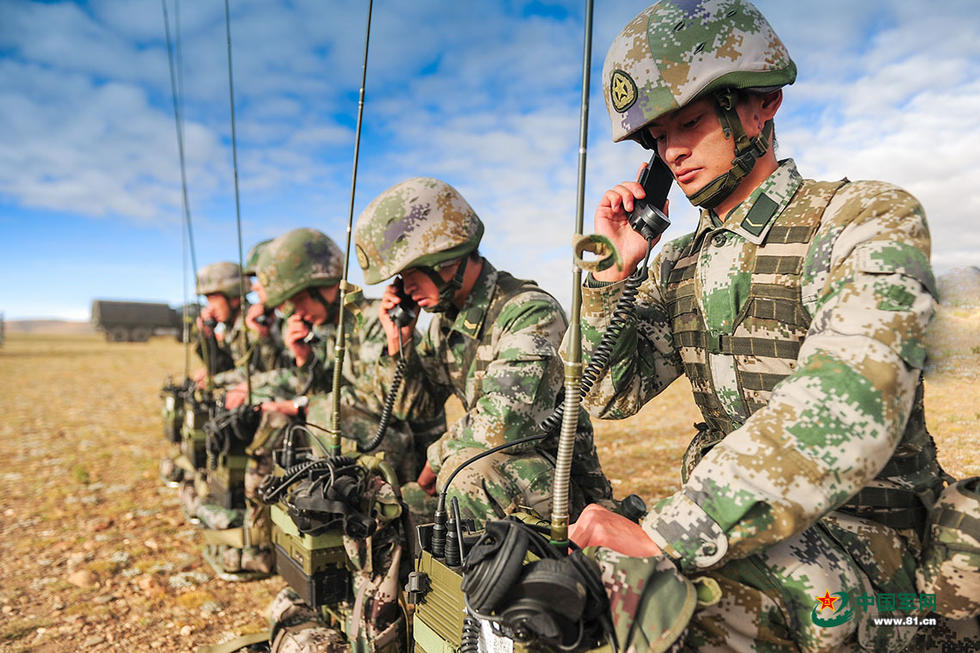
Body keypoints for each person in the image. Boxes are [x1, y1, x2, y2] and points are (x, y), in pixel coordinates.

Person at [566, 1, 977, 651]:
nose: (671, 151)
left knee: (676, 625)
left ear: (762, 104)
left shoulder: (861, 220)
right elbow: (607, 394)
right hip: (743, 530)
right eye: (656, 138)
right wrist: (613, 277)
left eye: (691, 122)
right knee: (577, 599)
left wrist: (672, 533)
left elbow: (851, 404)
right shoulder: (680, 263)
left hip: (877, 564)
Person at [354, 177, 613, 527]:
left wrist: (433, 465)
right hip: (501, 484)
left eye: (408, 273)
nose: (403, 287)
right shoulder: (445, 323)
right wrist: (398, 340)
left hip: (560, 493)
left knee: (469, 473)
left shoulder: (529, 311)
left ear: (445, 257)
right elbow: (415, 408)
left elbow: (504, 426)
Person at [192, 261, 248, 387]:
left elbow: (252, 374)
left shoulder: (253, 325)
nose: (210, 308)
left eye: (214, 300)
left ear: (234, 298)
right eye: (208, 301)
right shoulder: (231, 327)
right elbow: (225, 366)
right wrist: (207, 336)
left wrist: (214, 380)